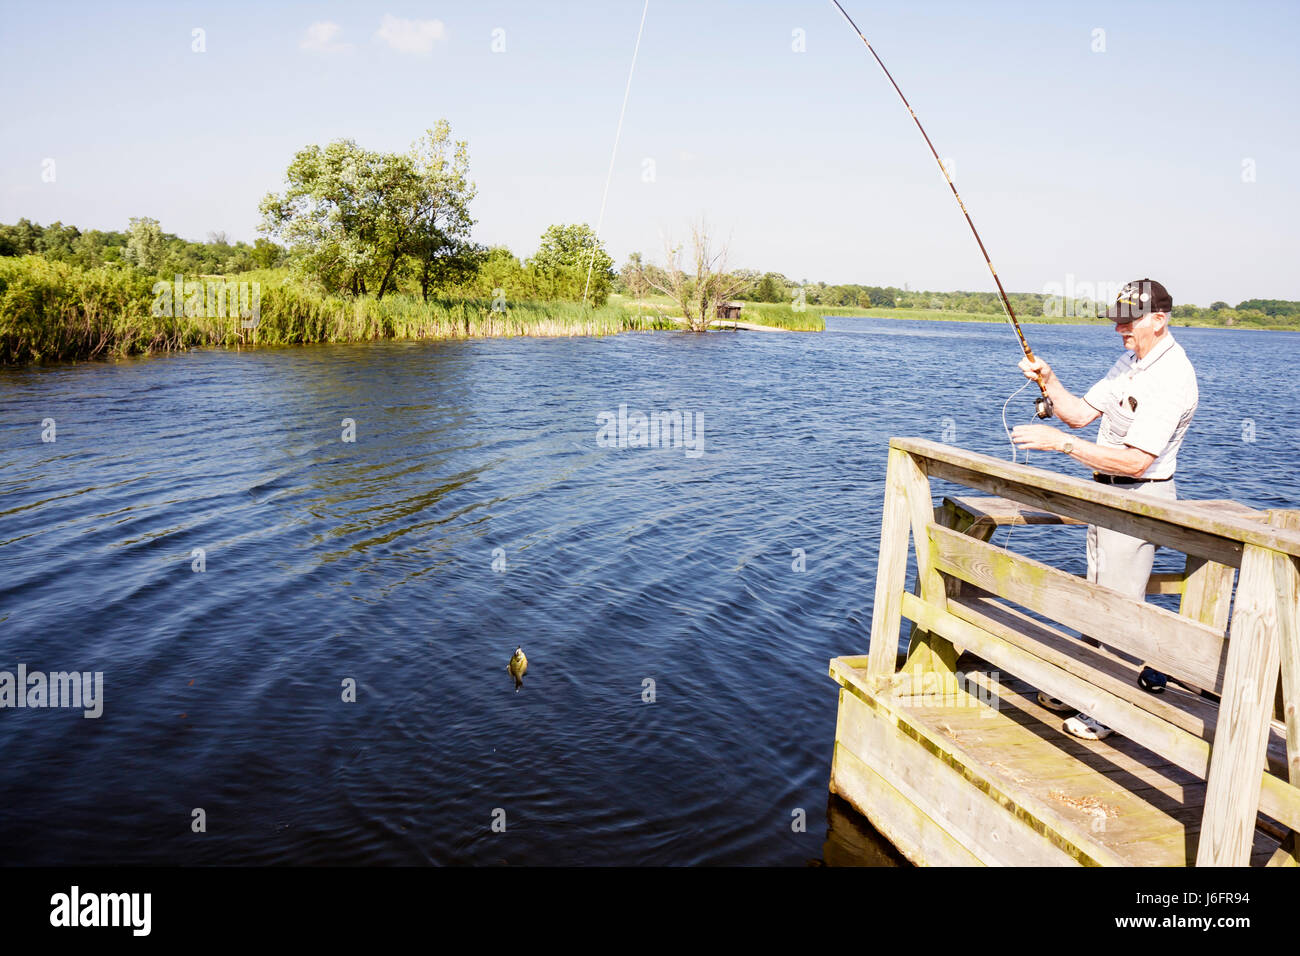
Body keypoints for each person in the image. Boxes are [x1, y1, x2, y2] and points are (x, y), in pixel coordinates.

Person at [1009, 278, 1198, 740]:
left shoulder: (1172, 378)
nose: (1119, 328)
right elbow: (1078, 415)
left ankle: (1108, 711)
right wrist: (1049, 381)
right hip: (1105, 496)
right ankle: (1084, 689)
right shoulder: (1129, 363)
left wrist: (1063, 446)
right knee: (1098, 594)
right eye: (1117, 320)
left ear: (1159, 319)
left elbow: (1136, 461)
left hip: (1138, 499)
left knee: (1120, 606)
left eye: (1129, 320)